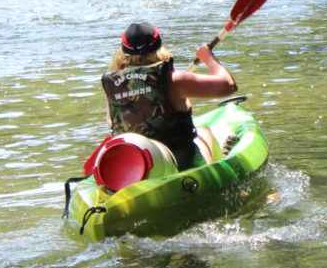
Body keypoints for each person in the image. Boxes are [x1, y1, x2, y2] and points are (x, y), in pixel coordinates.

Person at [101, 22, 237, 169]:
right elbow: (228, 86)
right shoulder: (174, 79)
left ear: (123, 51)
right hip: (178, 161)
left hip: (134, 163)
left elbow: (111, 121)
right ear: (159, 46)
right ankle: (217, 163)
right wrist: (208, 58)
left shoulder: (111, 85)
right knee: (204, 132)